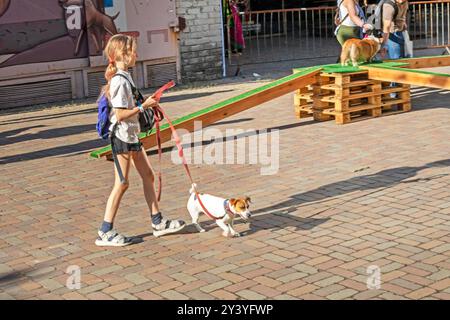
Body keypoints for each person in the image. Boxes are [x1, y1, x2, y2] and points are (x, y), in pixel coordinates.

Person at [95, 34, 185, 247]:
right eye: (133, 51)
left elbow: (130, 106)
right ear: (123, 54)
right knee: (122, 183)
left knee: (148, 176)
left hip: (131, 135)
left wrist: (148, 103)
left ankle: (158, 222)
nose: (137, 54)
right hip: (122, 137)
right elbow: (119, 114)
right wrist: (144, 107)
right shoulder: (119, 81)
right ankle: (105, 231)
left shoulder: (125, 76)